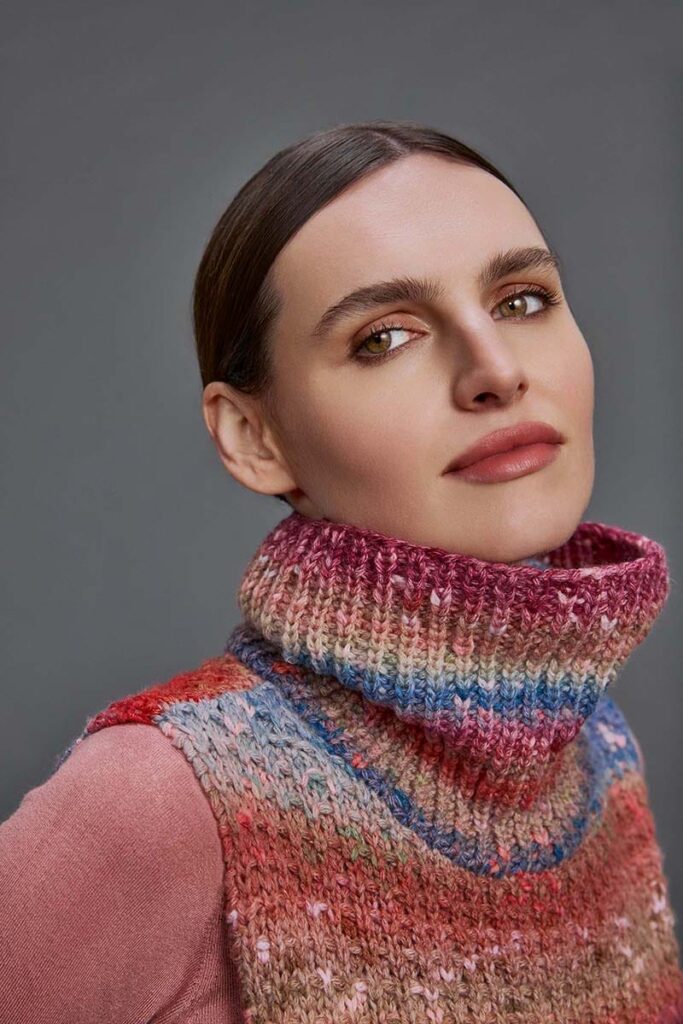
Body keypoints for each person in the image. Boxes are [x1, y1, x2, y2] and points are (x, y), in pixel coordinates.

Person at [2, 119, 682, 1024]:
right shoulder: (160, 797)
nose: (494, 370)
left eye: (521, 300)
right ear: (255, 438)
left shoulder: (595, 753)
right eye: (384, 338)